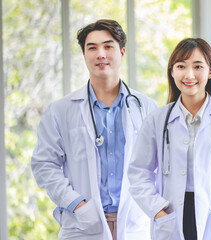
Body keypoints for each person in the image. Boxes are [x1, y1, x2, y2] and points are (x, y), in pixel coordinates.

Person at [31, 19, 157, 240]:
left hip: (135, 223)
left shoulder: (146, 107)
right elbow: (44, 165)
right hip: (82, 224)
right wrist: (77, 205)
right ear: (84, 55)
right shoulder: (61, 110)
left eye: (108, 46)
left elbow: (158, 166)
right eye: (92, 48)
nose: (101, 54)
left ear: (122, 52)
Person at [127, 38, 211, 240]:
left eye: (198, 66)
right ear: (172, 72)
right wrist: (158, 211)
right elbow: (138, 173)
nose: (189, 75)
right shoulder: (157, 119)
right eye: (181, 66)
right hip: (171, 216)